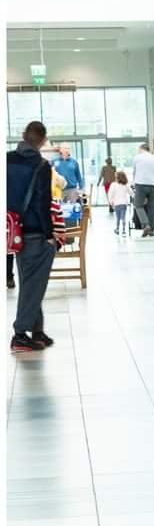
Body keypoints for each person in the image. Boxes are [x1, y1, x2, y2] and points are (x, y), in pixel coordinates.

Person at [9, 120, 59, 353]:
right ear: (42, 141)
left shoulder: (6, 159)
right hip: (34, 232)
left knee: (31, 281)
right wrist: (50, 235)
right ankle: (20, 333)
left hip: (14, 232)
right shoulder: (41, 165)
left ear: (22, 135)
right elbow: (42, 203)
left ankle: (36, 331)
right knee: (33, 284)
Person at [132, 142, 154, 236]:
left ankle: (145, 225)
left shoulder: (137, 157)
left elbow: (134, 172)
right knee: (151, 207)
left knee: (138, 205)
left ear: (141, 149)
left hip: (141, 184)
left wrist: (134, 184)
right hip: (153, 184)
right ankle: (151, 229)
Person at [108, 170, 132, 237]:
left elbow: (110, 194)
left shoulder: (113, 185)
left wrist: (111, 201)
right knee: (123, 217)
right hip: (124, 204)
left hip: (116, 204)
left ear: (117, 177)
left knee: (118, 218)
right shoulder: (126, 185)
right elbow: (131, 193)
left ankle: (117, 229)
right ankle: (124, 231)